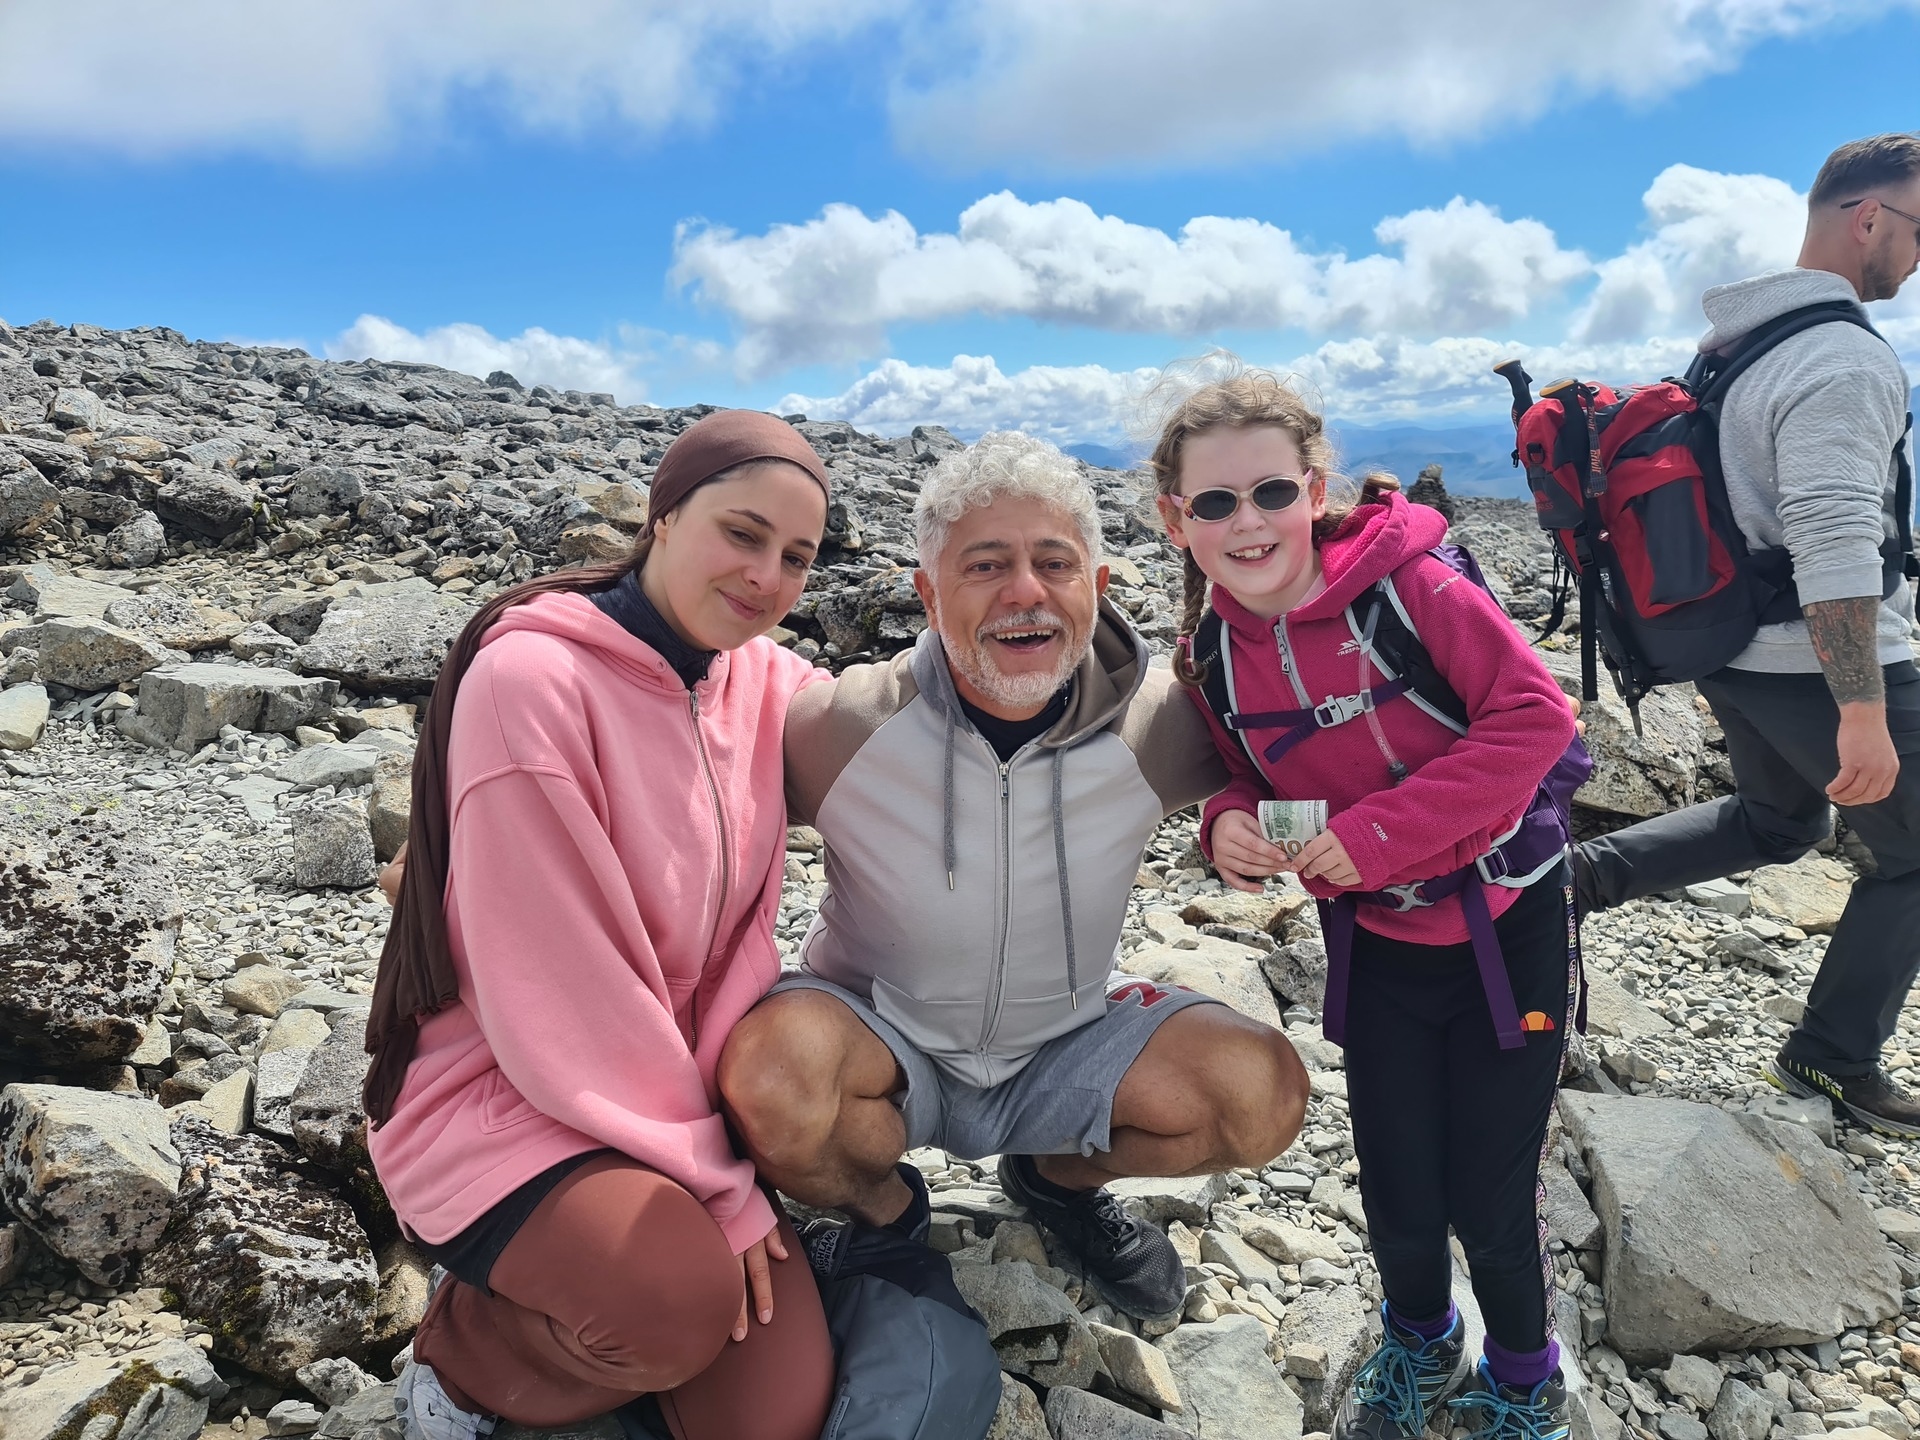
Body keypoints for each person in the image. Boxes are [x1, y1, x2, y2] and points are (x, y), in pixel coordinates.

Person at [717, 431, 1310, 1321]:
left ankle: (1054, 1181)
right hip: (881, 1036)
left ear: (1097, 587)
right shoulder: (839, 726)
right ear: (928, 594)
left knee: (1260, 1091)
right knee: (770, 1079)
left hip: (1064, 1038)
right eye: (985, 565)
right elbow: (690, 800)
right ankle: (886, 1211)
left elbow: (1294, 773)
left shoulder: (1160, 727)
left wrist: (1255, 827)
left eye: (1054, 563)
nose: (1024, 592)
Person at [363, 411, 837, 1440]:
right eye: (743, 534)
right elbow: (559, 992)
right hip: (502, 1091)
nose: (767, 576)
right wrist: (723, 1187)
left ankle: (604, 1312)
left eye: (797, 557)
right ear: (664, 515)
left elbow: (889, 727)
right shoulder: (533, 680)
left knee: (771, 1412)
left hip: (665, 1092)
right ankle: (462, 1364)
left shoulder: (756, 678)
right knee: (672, 1312)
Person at [1155, 365, 1581, 1440]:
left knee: (1491, 1183)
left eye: (1271, 494)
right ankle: (1422, 1341)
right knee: (1394, 1170)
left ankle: (1528, 1379)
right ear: (1177, 520)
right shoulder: (1211, 649)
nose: (1248, 524)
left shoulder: (1413, 588)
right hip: (1380, 939)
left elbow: (1536, 720)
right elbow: (1257, 775)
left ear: (1315, 486)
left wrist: (1379, 835)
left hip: (1508, 927)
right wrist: (1235, 828)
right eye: (1215, 504)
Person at [1576, 132, 1920, 1138]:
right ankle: (1834, 1060)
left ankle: (1574, 880)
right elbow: (1831, 533)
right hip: (1821, 666)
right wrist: (1862, 709)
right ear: (1870, 219)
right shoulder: (1845, 358)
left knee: (1784, 823)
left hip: (1733, 652)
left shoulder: (1738, 345)